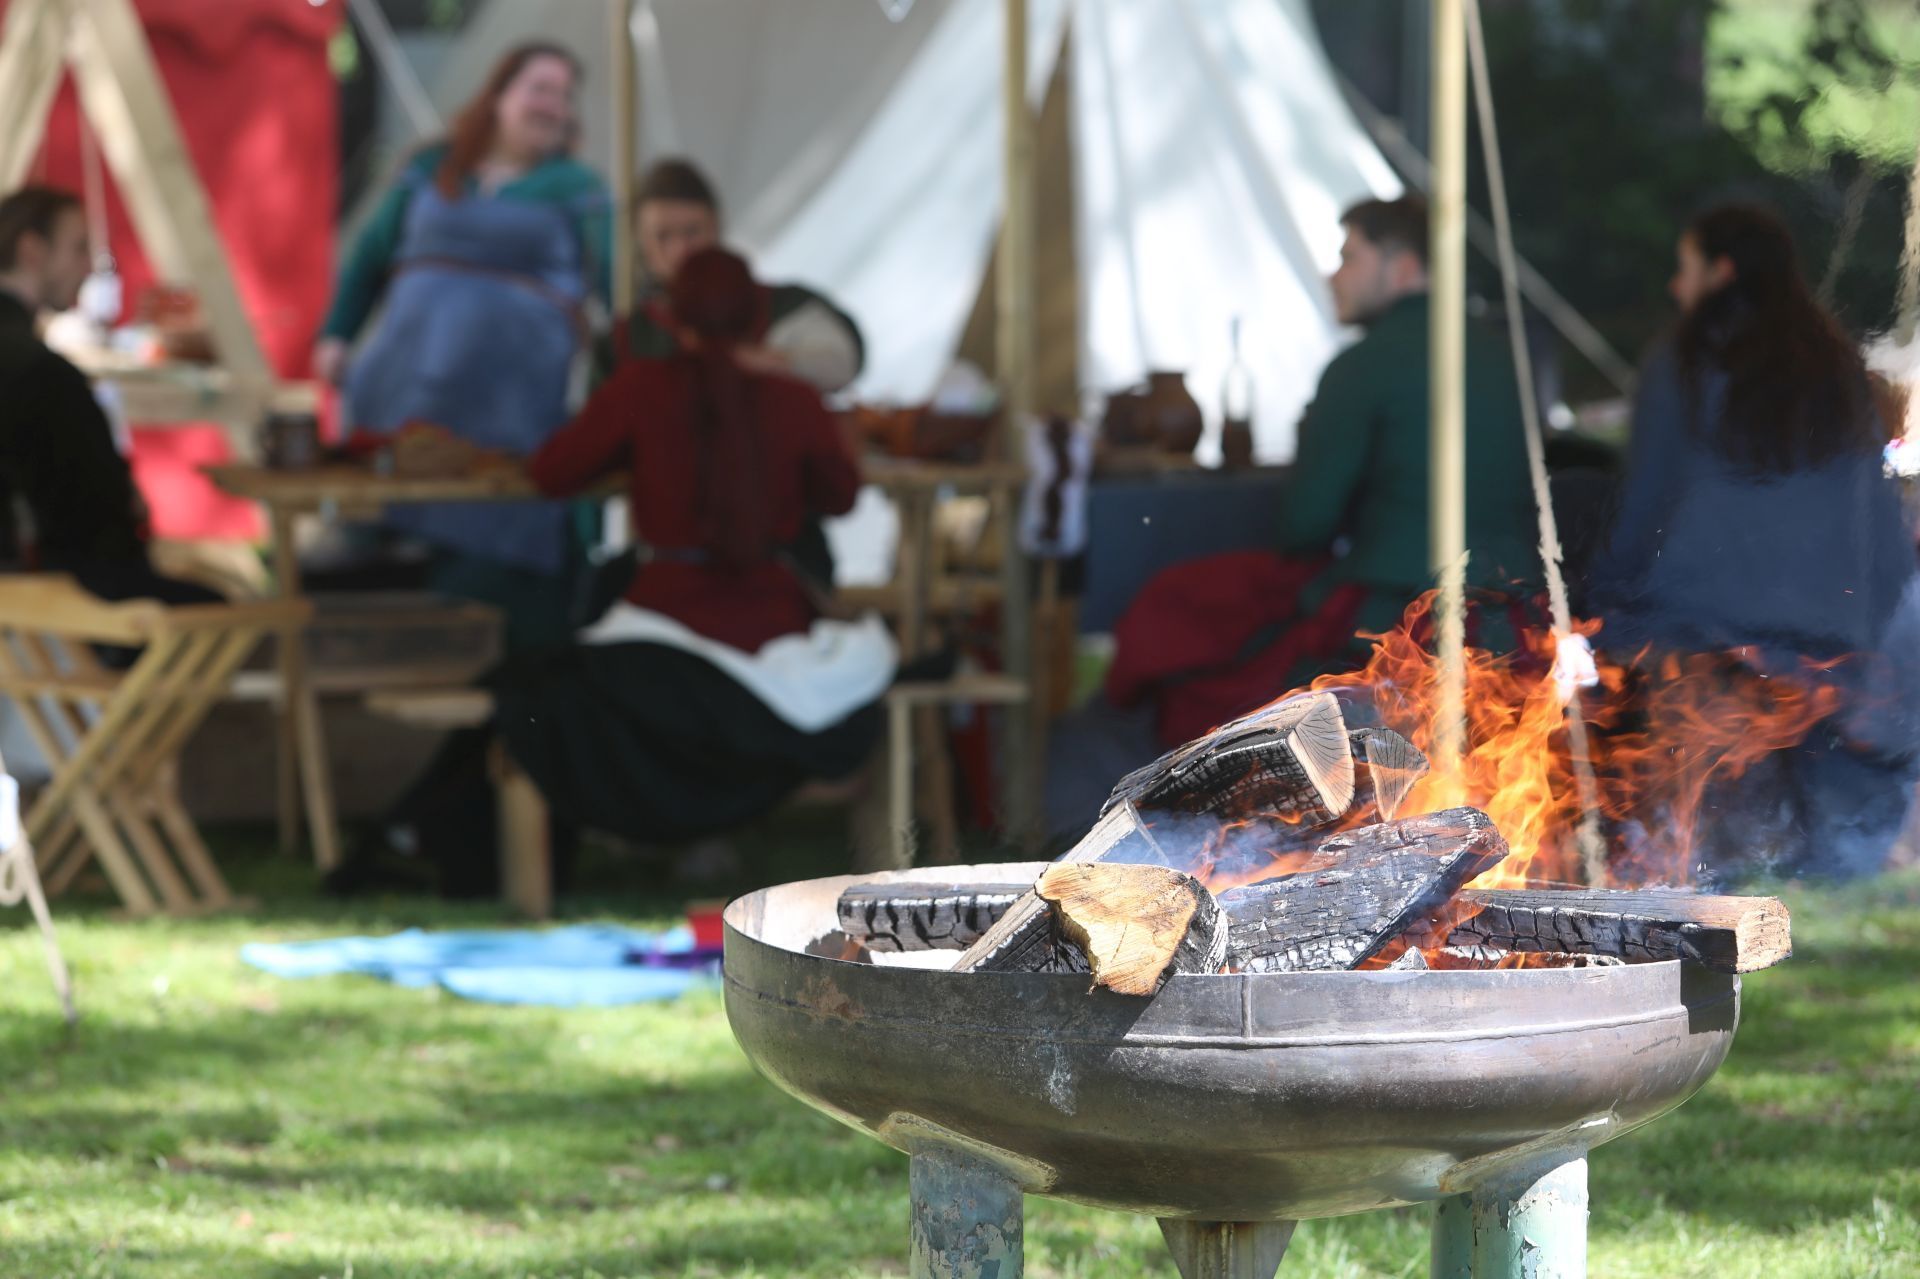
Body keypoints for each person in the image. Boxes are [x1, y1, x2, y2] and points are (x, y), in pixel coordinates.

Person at [336, 248, 891, 897]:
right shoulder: (795, 401)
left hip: (660, 629)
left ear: (674, 320)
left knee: (531, 683)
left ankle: (421, 836)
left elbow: (552, 472)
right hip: (776, 635)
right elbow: (841, 494)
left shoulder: (643, 388)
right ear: (759, 319)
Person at [1100, 196, 1539, 751]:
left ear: (1401, 267)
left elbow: (1305, 524)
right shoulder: (1501, 354)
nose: (1335, 275)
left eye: (1350, 256)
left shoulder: (1363, 365)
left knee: (1195, 622)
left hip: (1400, 612)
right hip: (1514, 609)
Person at [1589, 204, 1920, 881]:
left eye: (1685, 270)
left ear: (1722, 270)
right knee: (1796, 848)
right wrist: (1869, 635)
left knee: (1696, 843)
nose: (1676, 290)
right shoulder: (1837, 369)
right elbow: (1877, 518)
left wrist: (1601, 608)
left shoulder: (1684, 360)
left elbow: (1647, 502)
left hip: (1702, 632)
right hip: (1827, 644)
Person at [314, 43, 610, 650]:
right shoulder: (432, 166)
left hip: (512, 386)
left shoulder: (578, 187)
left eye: (564, 95)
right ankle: (385, 594)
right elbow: (369, 256)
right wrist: (337, 334)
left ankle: (478, 602)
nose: (553, 105)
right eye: (540, 88)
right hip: (403, 372)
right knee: (388, 481)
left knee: (489, 507)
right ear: (499, 94)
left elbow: (617, 275)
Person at [0, 186, 216, 609]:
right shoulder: (40, 372)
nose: (87, 268)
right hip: (52, 602)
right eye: (79, 248)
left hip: (24, 597)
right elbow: (102, 517)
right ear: (31, 251)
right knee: (229, 614)